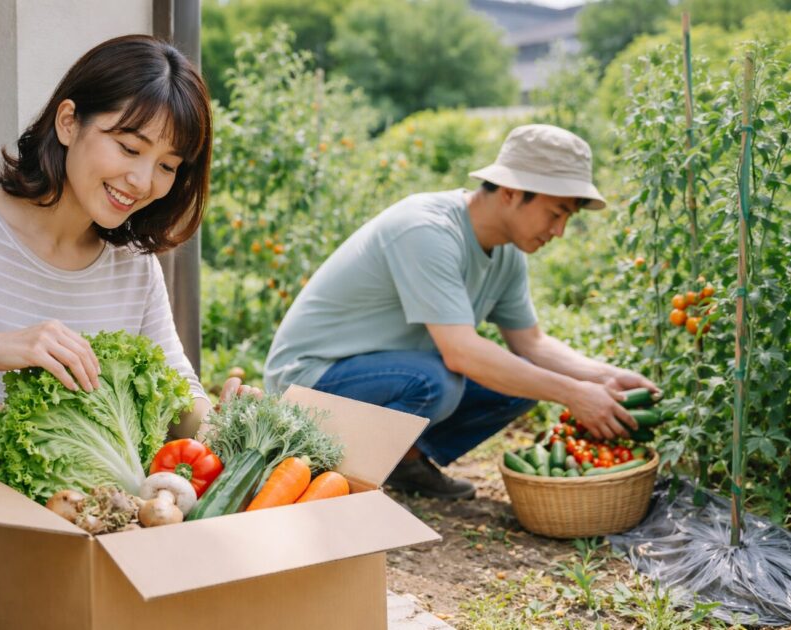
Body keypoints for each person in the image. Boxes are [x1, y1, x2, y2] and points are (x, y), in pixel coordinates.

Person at [0, 35, 254, 630]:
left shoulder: (132, 266)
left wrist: (222, 419)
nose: (143, 180)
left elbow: (178, 396)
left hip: (91, 528)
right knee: (138, 590)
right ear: (69, 121)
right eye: (129, 146)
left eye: (168, 166)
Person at [264, 124, 658, 500]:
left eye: (567, 218)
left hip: (377, 375)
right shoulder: (427, 229)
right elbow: (461, 352)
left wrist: (606, 377)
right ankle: (341, 466)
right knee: (438, 381)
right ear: (510, 192)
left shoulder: (506, 254)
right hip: (308, 382)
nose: (559, 232)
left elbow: (531, 343)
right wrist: (573, 393)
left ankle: (405, 461)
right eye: (556, 213)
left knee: (518, 387)